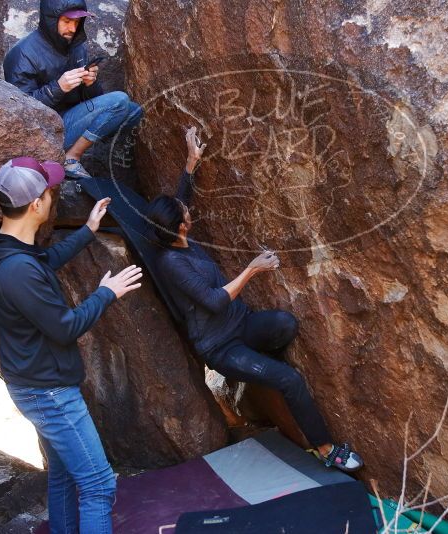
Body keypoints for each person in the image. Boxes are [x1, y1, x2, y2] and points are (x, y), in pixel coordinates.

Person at [147, 128, 363, 472]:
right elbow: (215, 301)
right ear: (181, 227)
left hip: (240, 323)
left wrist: (191, 160)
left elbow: (181, 200)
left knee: (285, 324)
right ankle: (326, 450)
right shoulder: (172, 262)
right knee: (289, 379)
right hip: (220, 346)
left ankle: (261, 371)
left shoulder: (174, 237)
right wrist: (250, 270)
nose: (188, 211)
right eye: (183, 213)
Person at [0, 157, 143, 533]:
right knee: (99, 485)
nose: (52, 197)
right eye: (49, 192)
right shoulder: (17, 270)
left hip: (35, 385)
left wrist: (88, 229)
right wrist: (105, 293)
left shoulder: (5, 246)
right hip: (48, 393)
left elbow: (45, 261)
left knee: (65, 475)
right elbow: (65, 328)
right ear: (35, 205)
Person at [3, 0, 143, 179]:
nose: (72, 28)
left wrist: (90, 84)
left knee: (133, 111)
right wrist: (58, 88)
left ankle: (89, 150)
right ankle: (71, 158)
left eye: (76, 23)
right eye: (67, 21)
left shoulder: (77, 47)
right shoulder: (22, 54)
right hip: (44, 132)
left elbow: (90, 100)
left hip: (69, 118)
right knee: (120, 100)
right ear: (51, 20)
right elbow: (22, 114)